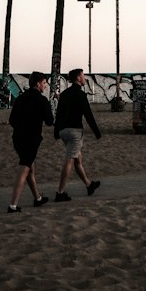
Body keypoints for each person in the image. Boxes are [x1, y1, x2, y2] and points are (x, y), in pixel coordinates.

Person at [7, 72, 53, 213]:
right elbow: (50, 121)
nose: (45, 85)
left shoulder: (20, 98)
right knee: (24, 168)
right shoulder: (42, 100)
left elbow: (12, 120)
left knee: (30, 168)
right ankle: (13, 205)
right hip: (32, 139)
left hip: (18, 138)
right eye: (44, 82)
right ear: (38, 84)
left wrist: (21, 128)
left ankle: (37, 198)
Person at [53, 67, 101, 201]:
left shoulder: (65, 94)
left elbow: (59, 114)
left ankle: (89, 185)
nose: (85, 78)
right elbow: (88, 115)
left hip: (63, 131)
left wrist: (56, 131)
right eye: (83, 76)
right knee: (69, 160)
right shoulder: (80, 95)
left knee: (78, 160)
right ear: (78, 78)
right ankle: (60, 192)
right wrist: (97, 132)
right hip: (74, 132)